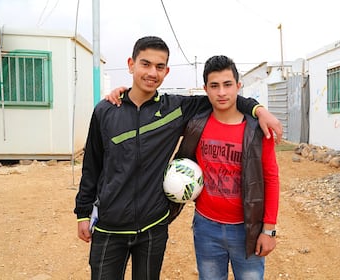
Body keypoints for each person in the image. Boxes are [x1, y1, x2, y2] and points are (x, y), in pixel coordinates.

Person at [74, 36, 281, 280]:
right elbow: (92, 165)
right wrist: (83, 213)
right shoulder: (105, 111)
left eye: (159, 67)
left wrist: (259, 110)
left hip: (153, 226)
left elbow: (225, 98)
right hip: (110, 225)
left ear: (166, 71)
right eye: (145, 64)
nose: (152, 72)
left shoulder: (176, 109)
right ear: (131, 65)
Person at [175, 55, 279, 279]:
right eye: (214, 86)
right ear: (206, 89)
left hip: (247, 229)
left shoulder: (258, 129)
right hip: (206, 228)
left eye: (227, 84)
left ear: (238, 86)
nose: (221, 92)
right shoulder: (196, 125)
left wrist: (268, 230)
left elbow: (270, 178)